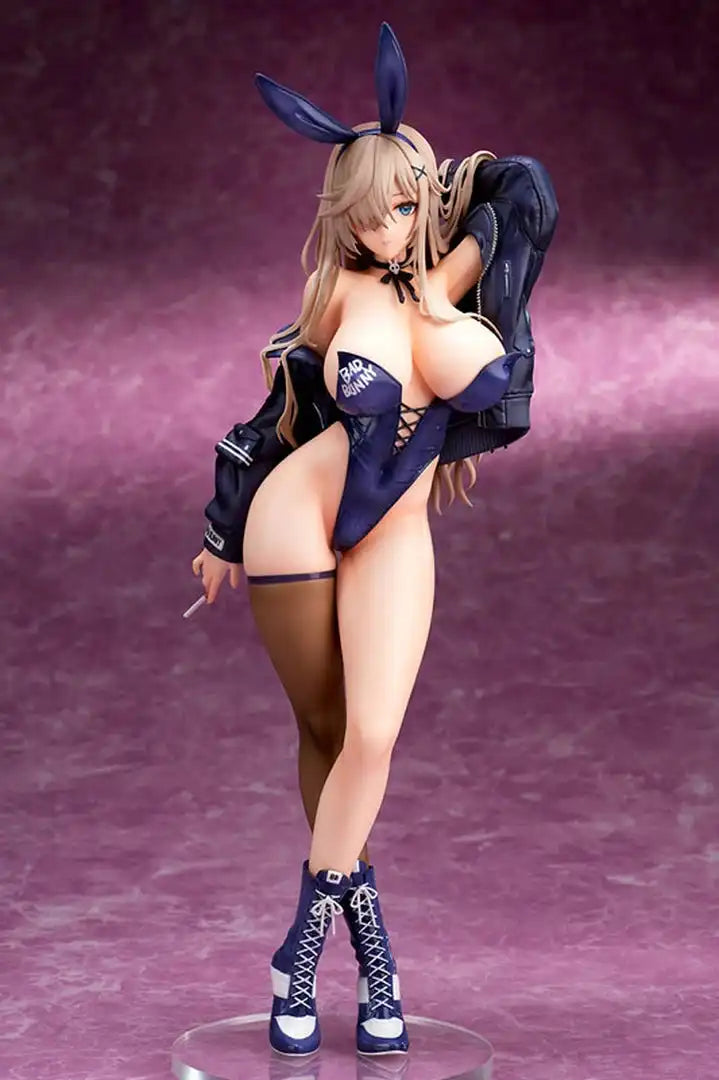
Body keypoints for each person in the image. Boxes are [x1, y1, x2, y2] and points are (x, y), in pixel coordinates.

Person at [191, 23, 558, 1058]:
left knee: (371, 737)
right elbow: (278, 415)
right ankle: (372, 962)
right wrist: (221, 525)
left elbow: (528, 191)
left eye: (400, 207)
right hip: (296, 515)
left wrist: (439, 209)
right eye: (365, 212)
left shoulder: (455, 281)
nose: (384, 227)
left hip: (392, 532)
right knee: (323, 730)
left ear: (425, 202)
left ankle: (306, 944)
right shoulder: (340, 293)